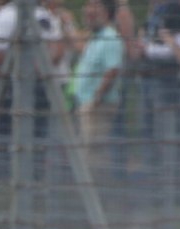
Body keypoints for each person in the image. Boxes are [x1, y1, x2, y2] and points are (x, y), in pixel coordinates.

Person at [72, 0, 123, 184]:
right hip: (86, 105)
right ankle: (92, 200)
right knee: (86, 154)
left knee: (93, 158)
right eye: (86, 5)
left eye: (94, 6)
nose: (87, 10)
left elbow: (112, 70)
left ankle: (98, 200)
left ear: (106, 12)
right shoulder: (96, 37)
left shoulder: (110, 37)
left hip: (97, 107)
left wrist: (96, 99)